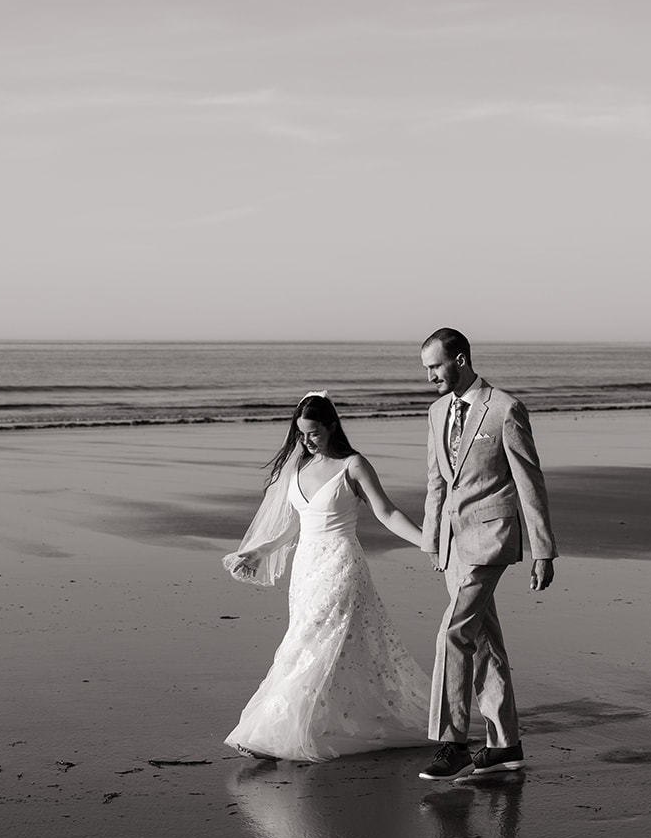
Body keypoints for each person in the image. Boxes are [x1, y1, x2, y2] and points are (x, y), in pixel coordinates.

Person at [223, 391, 430, 762]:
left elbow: (387, 512)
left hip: (341, 565)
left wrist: (427, 542)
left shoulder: (353, 465)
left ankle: (273, 733)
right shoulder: (298, 468)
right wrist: (260, 551)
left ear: (332, 426)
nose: (306, 441)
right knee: (327, 647)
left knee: (306, 643)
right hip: (306, 569)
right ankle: (320, 724)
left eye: (314, 433)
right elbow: (295, 527)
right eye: (301, 434)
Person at [417, 328, 557, 780]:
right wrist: (432, 538)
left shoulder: (504, 409)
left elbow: (529, 481)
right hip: (453, 544)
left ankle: (452, 741)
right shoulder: (437, 411)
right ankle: (505, 743)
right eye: (426, 369)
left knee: (452, 633)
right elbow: (437, 479)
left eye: (435, 367)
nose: (430, 377)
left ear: (459, 360)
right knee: (483, 641)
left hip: (491, 538)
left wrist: (543, 551)